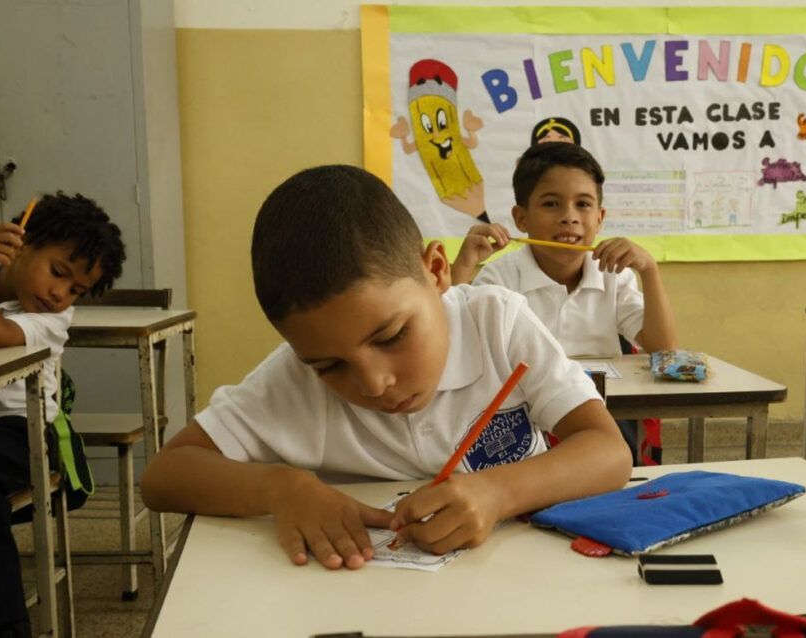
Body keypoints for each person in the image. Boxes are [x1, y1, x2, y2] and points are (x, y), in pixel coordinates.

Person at [140, 165, 631, 572]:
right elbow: (164, 476)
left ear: (436, 271)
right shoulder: (293, 377)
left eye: (392, 336)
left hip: (529, 584)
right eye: (330, 366)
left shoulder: (497, 324)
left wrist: (498, 493)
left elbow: (608, 451)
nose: (374, 383)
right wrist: (281, 487)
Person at [449, 142, 678, 458]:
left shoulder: (614, 275)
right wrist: (462, 267)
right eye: (551, 204)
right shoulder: (499, 278)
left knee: (620, 456)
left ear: (600, 218)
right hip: (527, 418)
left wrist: (649, 271)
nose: (569, 218)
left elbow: (663, 349)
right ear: (521, 218)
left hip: (601, 416)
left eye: (583, 204)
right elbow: (450, 341)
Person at [0, 193, 126, 638]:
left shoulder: (53, 320)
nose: (58, 294)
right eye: (58, 272)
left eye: (75, 290)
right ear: (21, 241)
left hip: (23, 433)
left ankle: (7, 627)